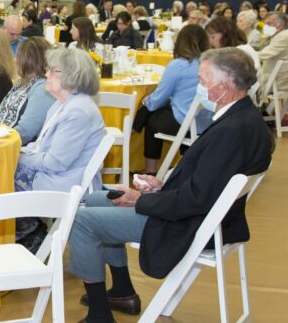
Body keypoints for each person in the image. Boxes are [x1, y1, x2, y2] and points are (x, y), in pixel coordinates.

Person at [70, 48, 273, 323]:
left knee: (83, 221)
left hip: (190, 223)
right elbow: (209, 183)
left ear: (223, 87)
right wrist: (161, 187)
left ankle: (98, 315)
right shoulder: (246, 118)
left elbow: (196, 198)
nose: (199, 87)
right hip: (206, 215)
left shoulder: (231, 131)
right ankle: (122, 290)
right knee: (96, 200)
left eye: (202, 80)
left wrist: (140, 200)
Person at [13, 47, 105, 254]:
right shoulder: (62, 105)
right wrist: (21, 153)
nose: (46, 74)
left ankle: (29, 233)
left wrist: (17, 157)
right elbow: (40, 146)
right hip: (56, 176)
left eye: (54, 71)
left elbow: (54, 163)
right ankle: (26, 232)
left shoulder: (78, 111)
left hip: (64, 184)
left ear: (73, 76)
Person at [134, 24, 209, 174]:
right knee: (155, 110)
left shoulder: (178, 65)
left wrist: (145, 101)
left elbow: (158, 99)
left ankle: (150, 170)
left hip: (186, 123)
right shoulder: (212, 63)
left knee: (151, 117)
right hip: (207, 120)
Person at [0, 37, 55, 145]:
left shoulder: (42, 88)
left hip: (13, 146)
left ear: (28, 60)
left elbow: (26, 131)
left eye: (18, 56)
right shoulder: (22, 82)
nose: (15, 59)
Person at [258, 13, 288, 93]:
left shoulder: (282, 37)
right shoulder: (284, 34)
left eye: (268, 24)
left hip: (278, 82)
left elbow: (263, 55)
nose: (265, 27)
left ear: (279, 26)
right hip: (283, 79)